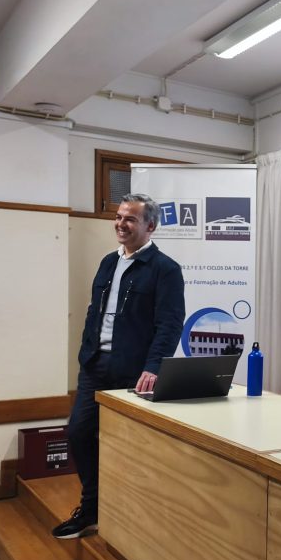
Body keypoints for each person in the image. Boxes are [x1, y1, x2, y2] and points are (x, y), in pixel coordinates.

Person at [52, 193, 185, 539]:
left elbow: (170, 325)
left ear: (150, 226)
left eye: (130, 219)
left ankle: (130, 518)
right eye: (118, 217)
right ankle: (92, 507)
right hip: (95, 365)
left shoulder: (165, 269)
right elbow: (94, 311)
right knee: (79, 433)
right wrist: (87, 350)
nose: (120, 224)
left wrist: (154, 367)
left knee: (130, 446)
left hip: (134, 372)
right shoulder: (108, 263)